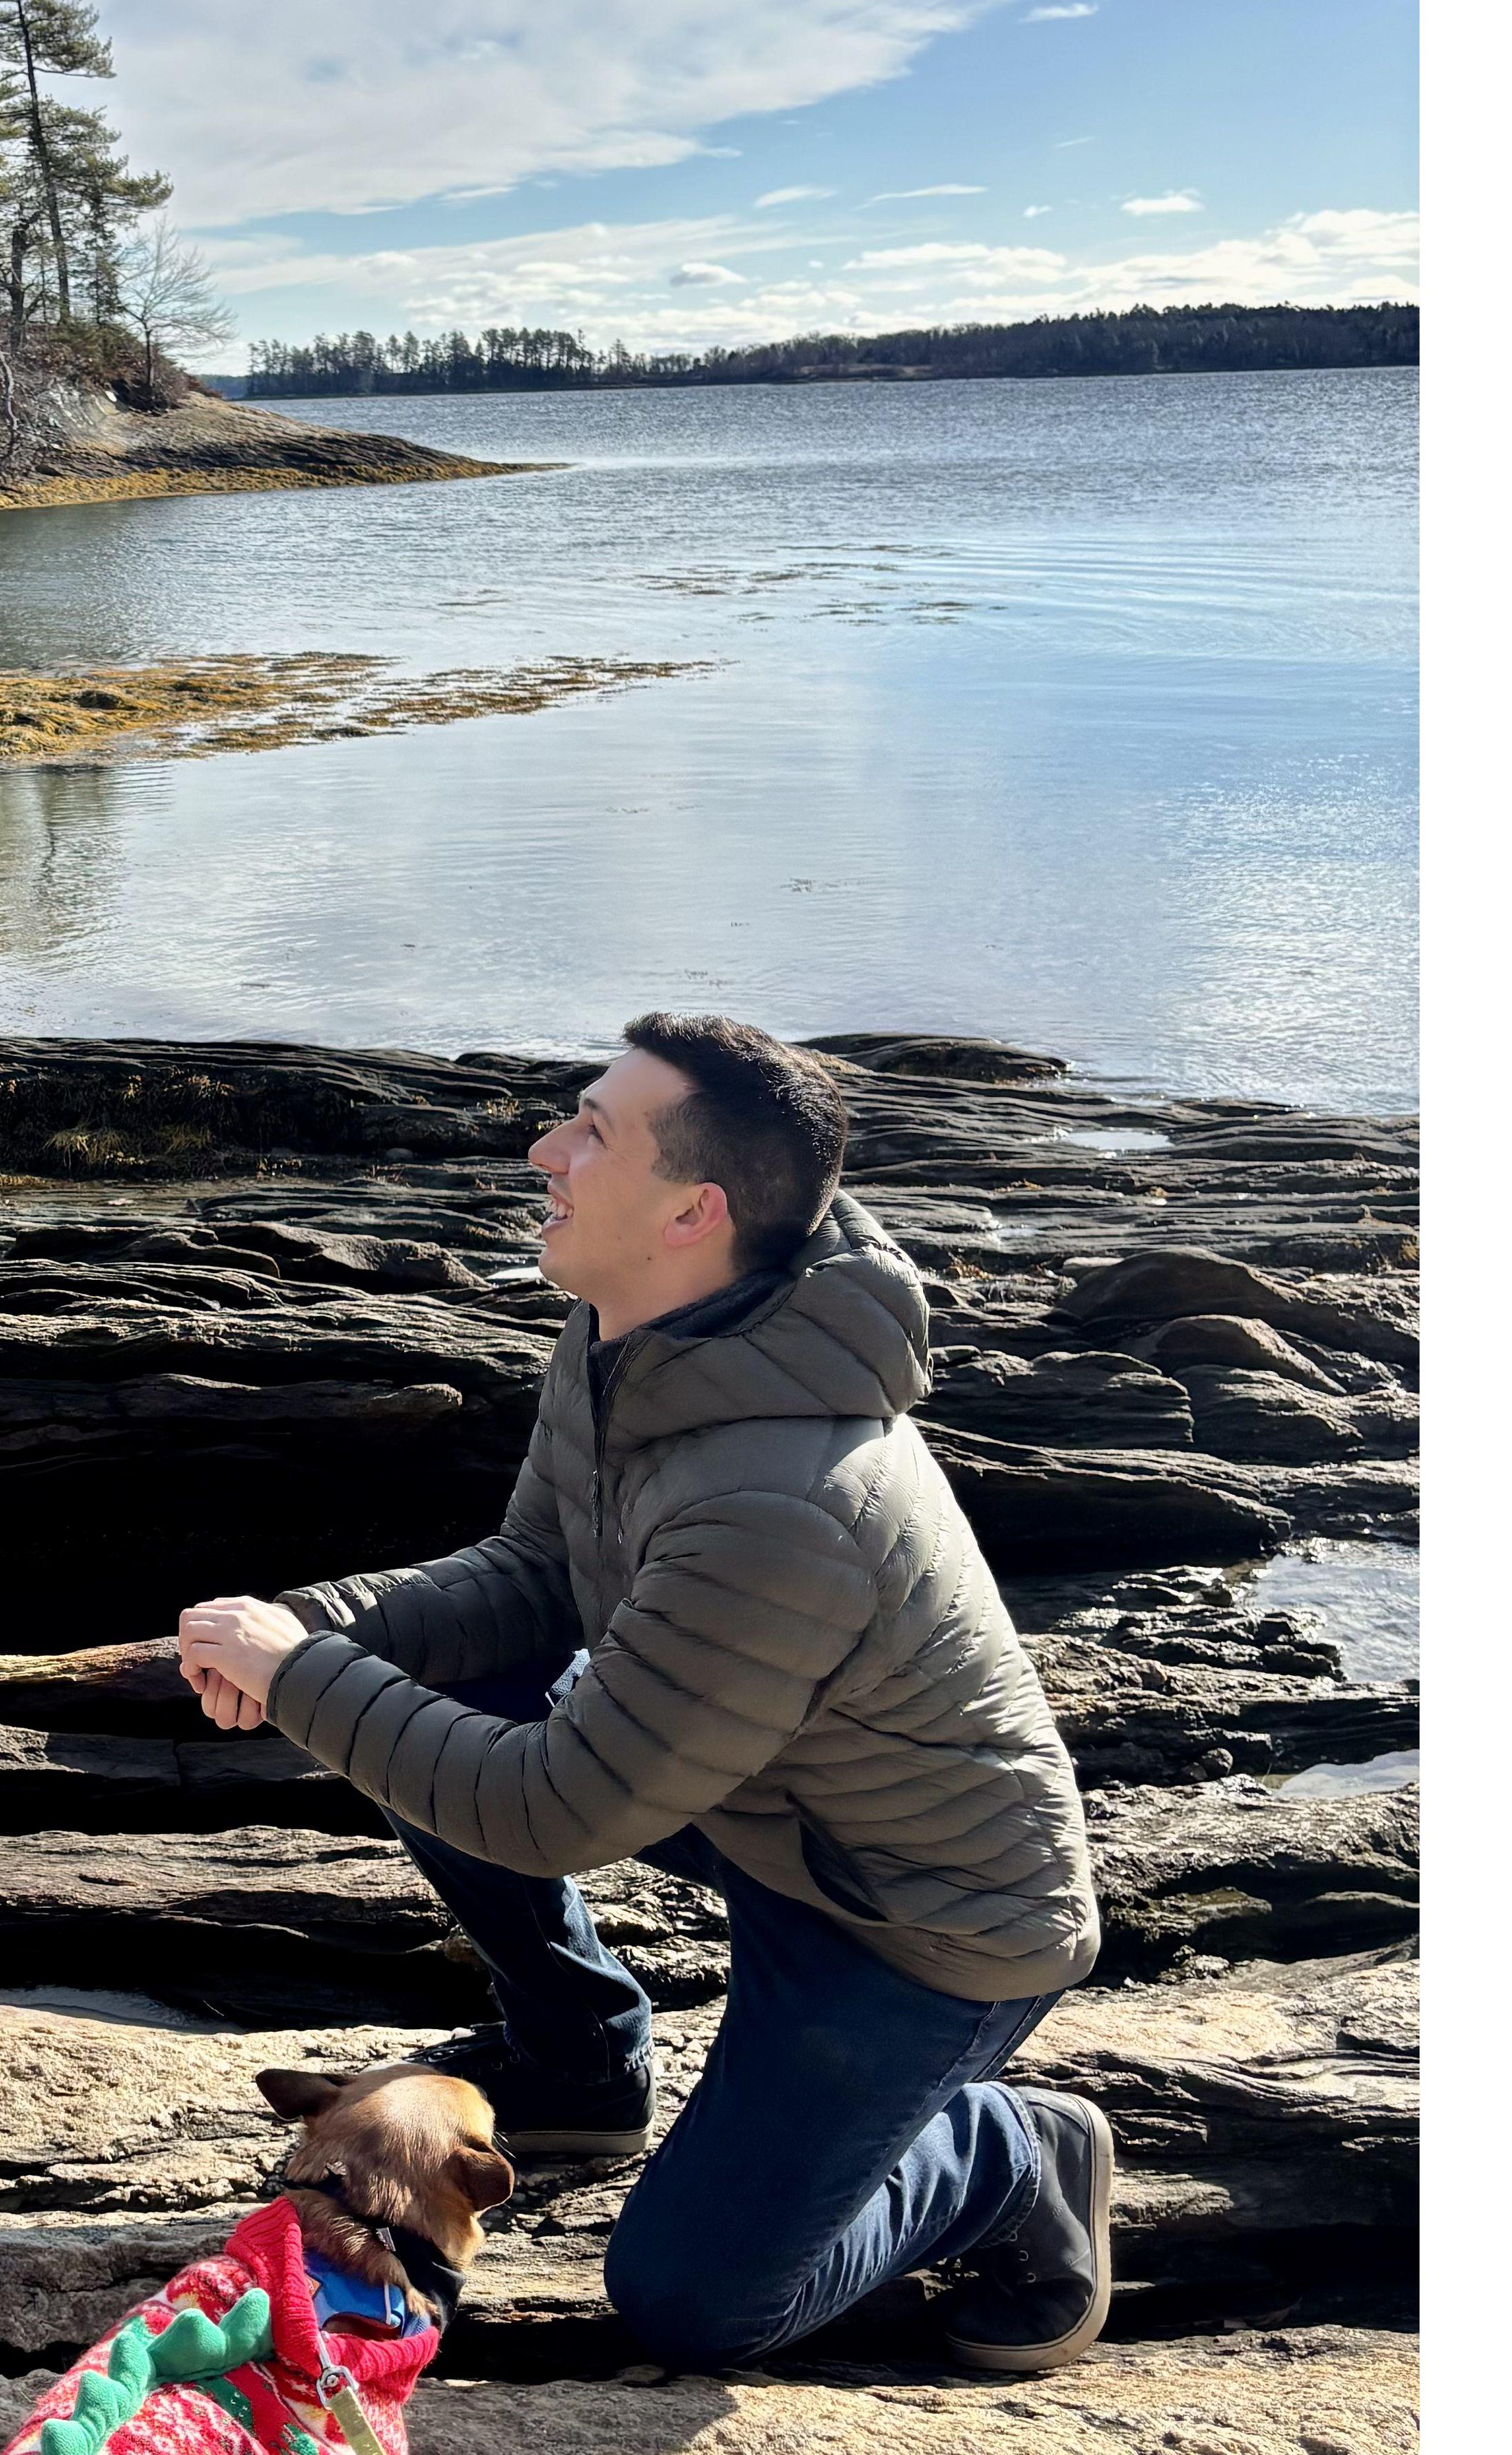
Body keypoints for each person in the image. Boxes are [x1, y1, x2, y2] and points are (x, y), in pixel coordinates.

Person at [173, 1013, 1118, 2376]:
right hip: (764, 1807)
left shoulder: (784, 1502)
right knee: (436, 1686)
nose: (543, 1149)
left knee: (697, 2301)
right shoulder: (637, 1328)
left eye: (592, 1132)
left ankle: (1015, 2151)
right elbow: (535, 1573)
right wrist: (321, 1631)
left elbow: (555, 1813)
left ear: (693, 1211)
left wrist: (305, 1676)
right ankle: (578, 2061)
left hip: (911, 1925)